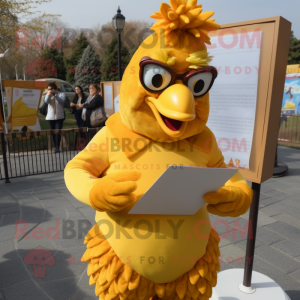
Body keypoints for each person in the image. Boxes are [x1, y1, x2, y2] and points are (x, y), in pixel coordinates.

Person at [45, 82, 66, 153]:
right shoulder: (48, 94)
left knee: (57, 131)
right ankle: (55, 145)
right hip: (51, 116)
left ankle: (57, 146)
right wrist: (48, 95)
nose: (49, 90)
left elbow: (62, 102)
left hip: (59, 117)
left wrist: (56, 95)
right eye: (48, 89)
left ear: (54, 89)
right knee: (53, 131)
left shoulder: (61, 94)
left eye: (50, 89)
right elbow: (46, 101)